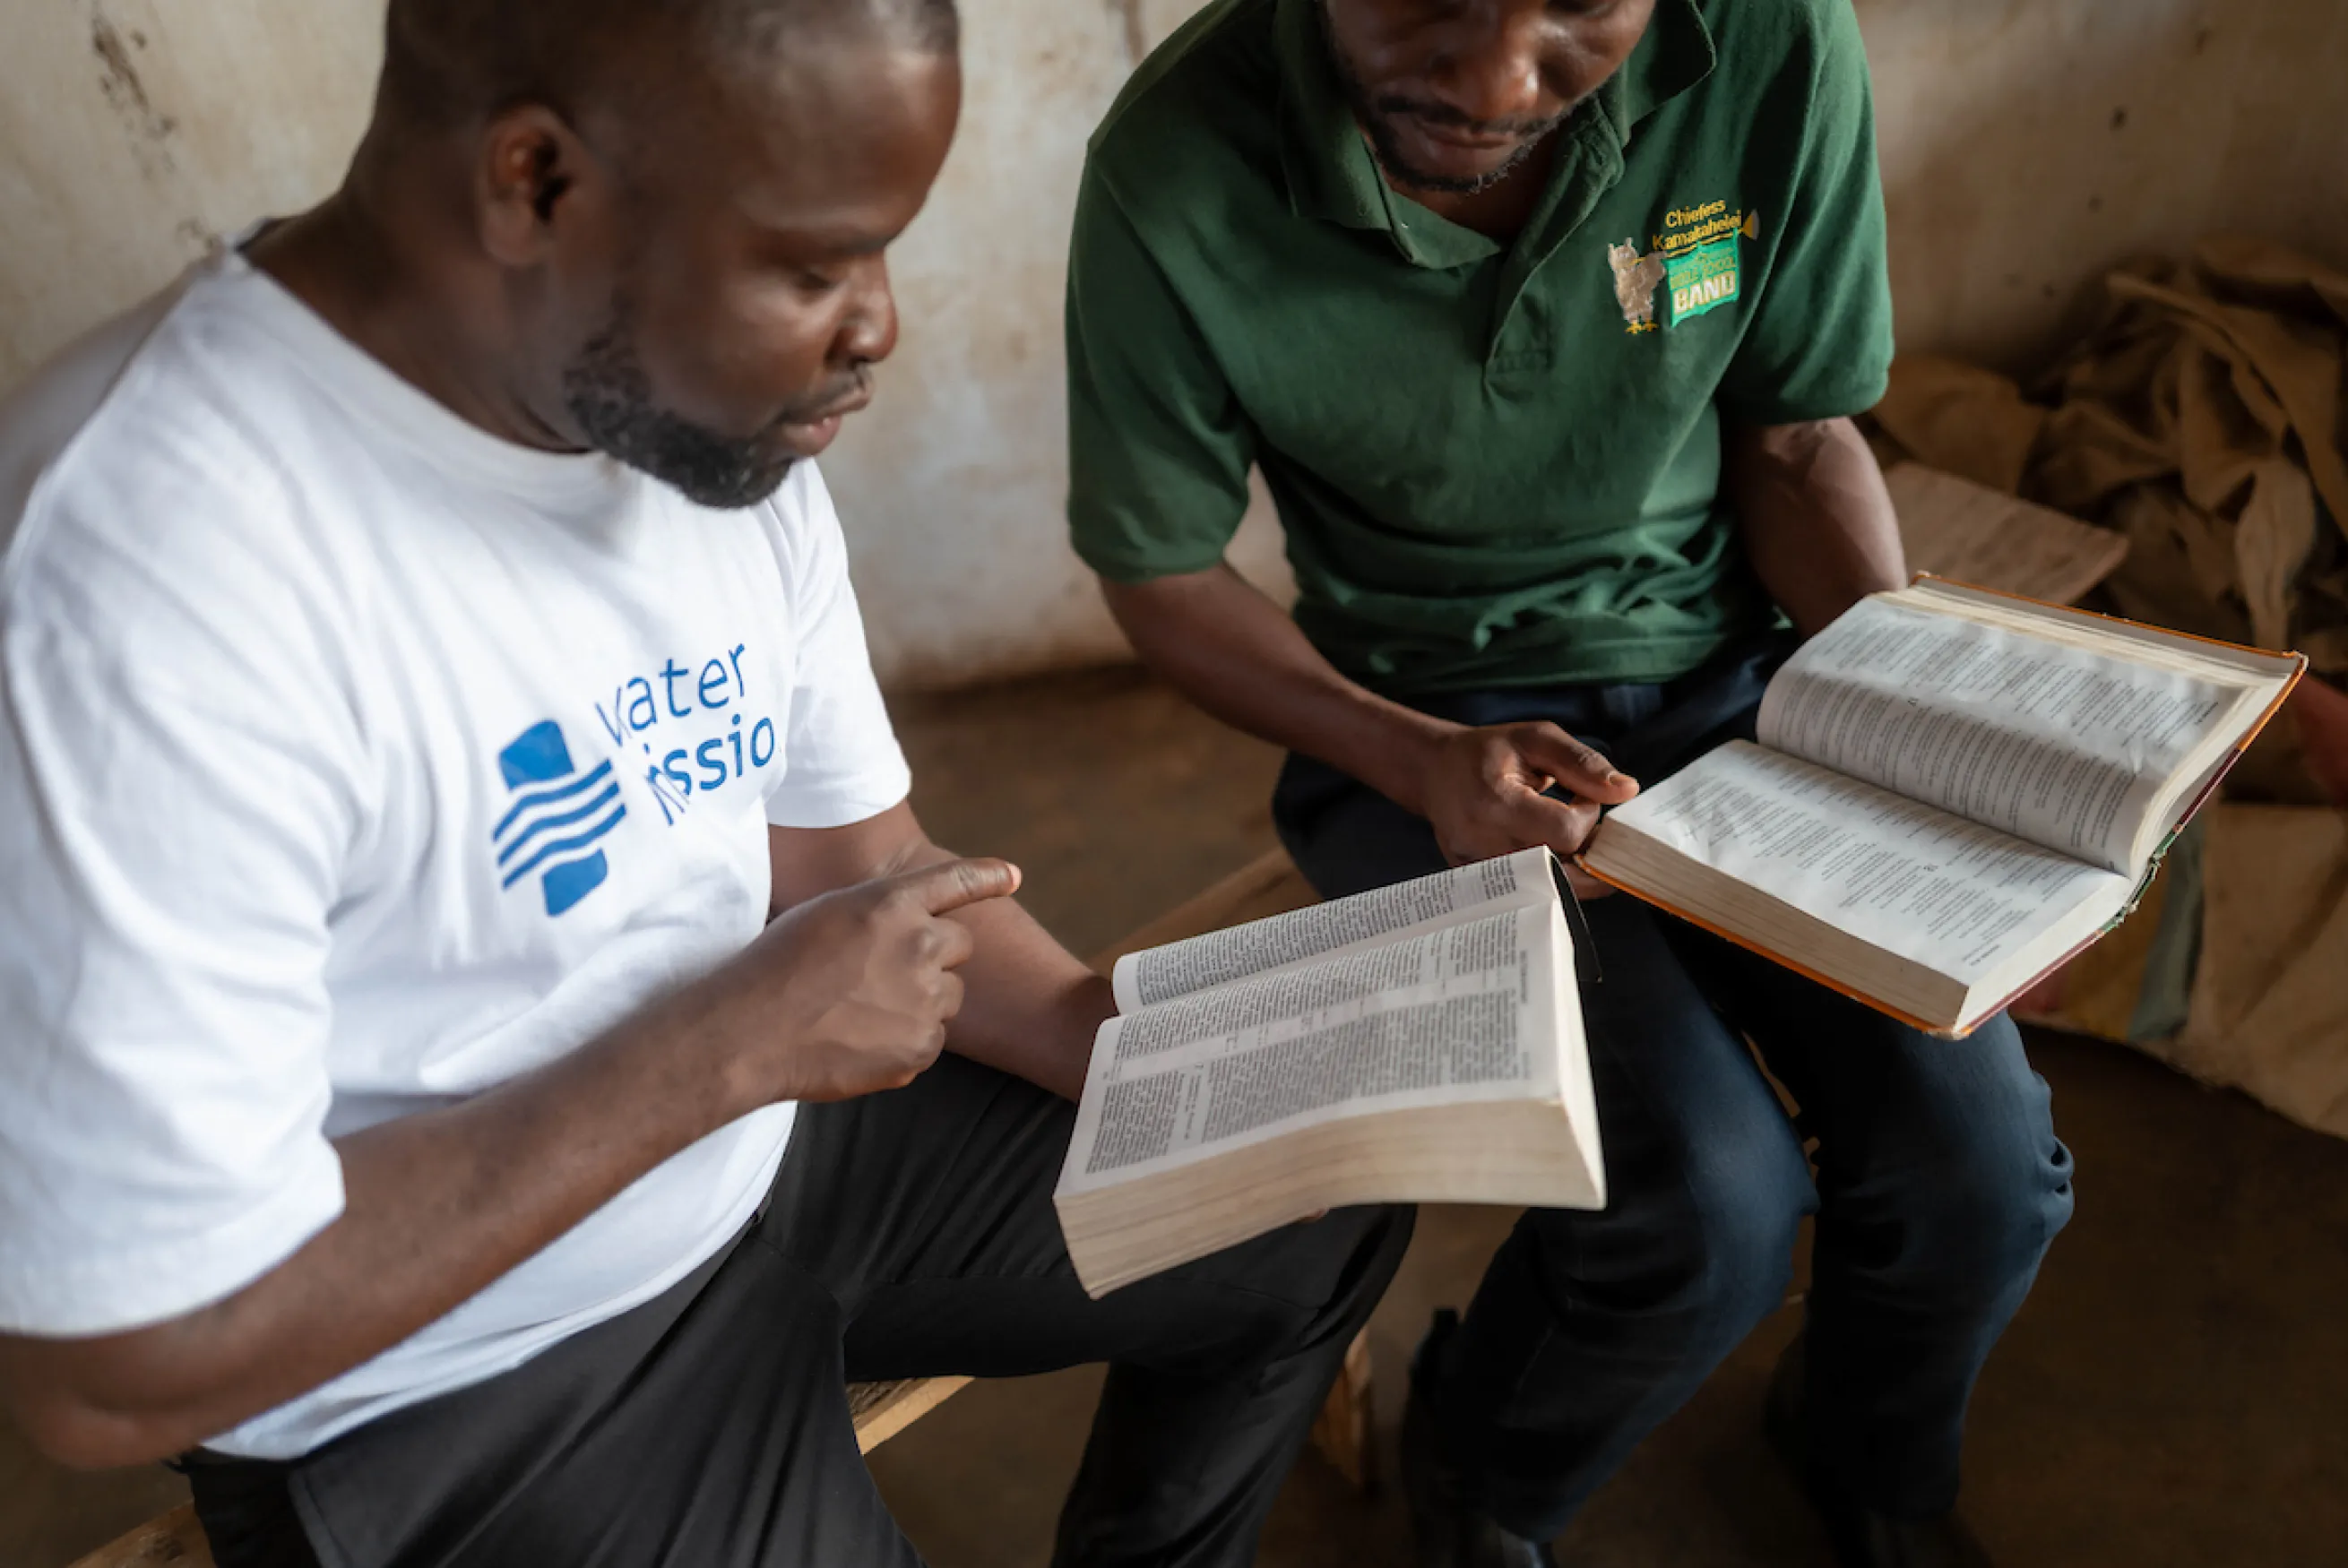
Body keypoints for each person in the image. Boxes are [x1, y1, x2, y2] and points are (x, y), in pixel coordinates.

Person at [0, 3, 1411, 1564]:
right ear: (536, 182)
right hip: (455, 1369)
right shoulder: (144, 577)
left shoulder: (697, 420)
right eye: (816, 266)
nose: (878, 326)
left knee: (1314, 1193)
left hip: (779, 1145)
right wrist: (724, 1050)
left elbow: (853, 856)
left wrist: (1136, 1056)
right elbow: (114, 1366)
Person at [1063, 0, 2074, 1564]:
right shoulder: (1176, 166)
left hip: (1738, 690)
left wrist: (1909, 733)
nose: (1488, 84)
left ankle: (1865, 1443)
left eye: (1580, 10)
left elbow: (1799, 440)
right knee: (1696, 1201)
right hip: (1412, 732)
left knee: (1981, 1165)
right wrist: (1415, 755)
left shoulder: (1772, 46)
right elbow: (1163, 573)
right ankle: (1480, 1462)